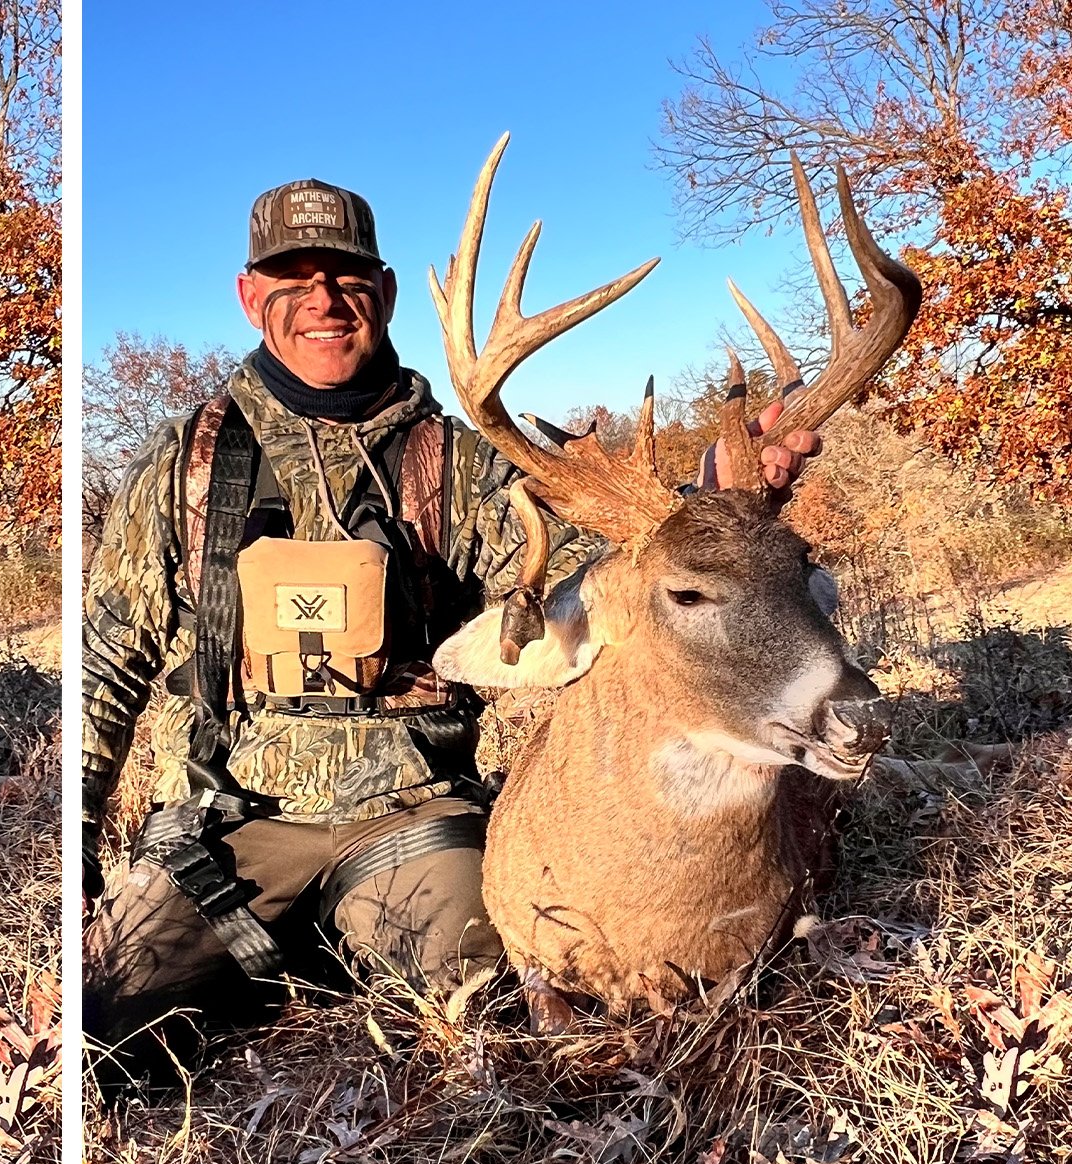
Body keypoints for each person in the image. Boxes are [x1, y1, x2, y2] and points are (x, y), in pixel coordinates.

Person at [81, 178, 816, 1089]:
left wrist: (720, 511)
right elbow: (107, 660)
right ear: (249, 295)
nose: (324, 300)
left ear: (383, 295)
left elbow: (619, 584)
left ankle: (326, 948)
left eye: (348, 277)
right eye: (294, 276)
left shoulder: (464, 464)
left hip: (416, 816)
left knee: (494, 1030)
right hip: (229, 824)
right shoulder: (182, 462)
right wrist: (75, 848)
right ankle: (288, 947)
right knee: (100, 1021)